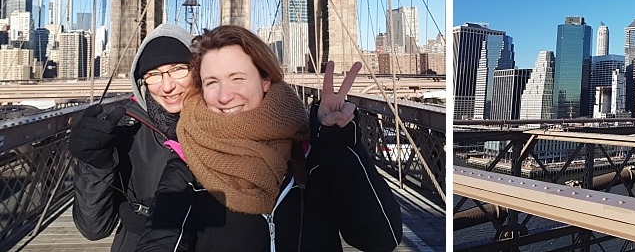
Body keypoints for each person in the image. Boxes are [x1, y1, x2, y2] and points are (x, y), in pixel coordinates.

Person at [136, 25, 402, 252]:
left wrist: (339, 145)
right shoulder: (188, 161)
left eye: (237, 78)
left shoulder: (312, 152)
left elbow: (381, 238)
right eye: (211, 82)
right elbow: (160, 238)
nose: (224, 96)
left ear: (265, 79)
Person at [70, 24, 195, 252]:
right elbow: (93, 228)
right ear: (141, 82)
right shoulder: (125, 129)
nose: (167, 86)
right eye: (153, 75)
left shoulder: (227, 124)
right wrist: (95, 165)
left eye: (178, 69)